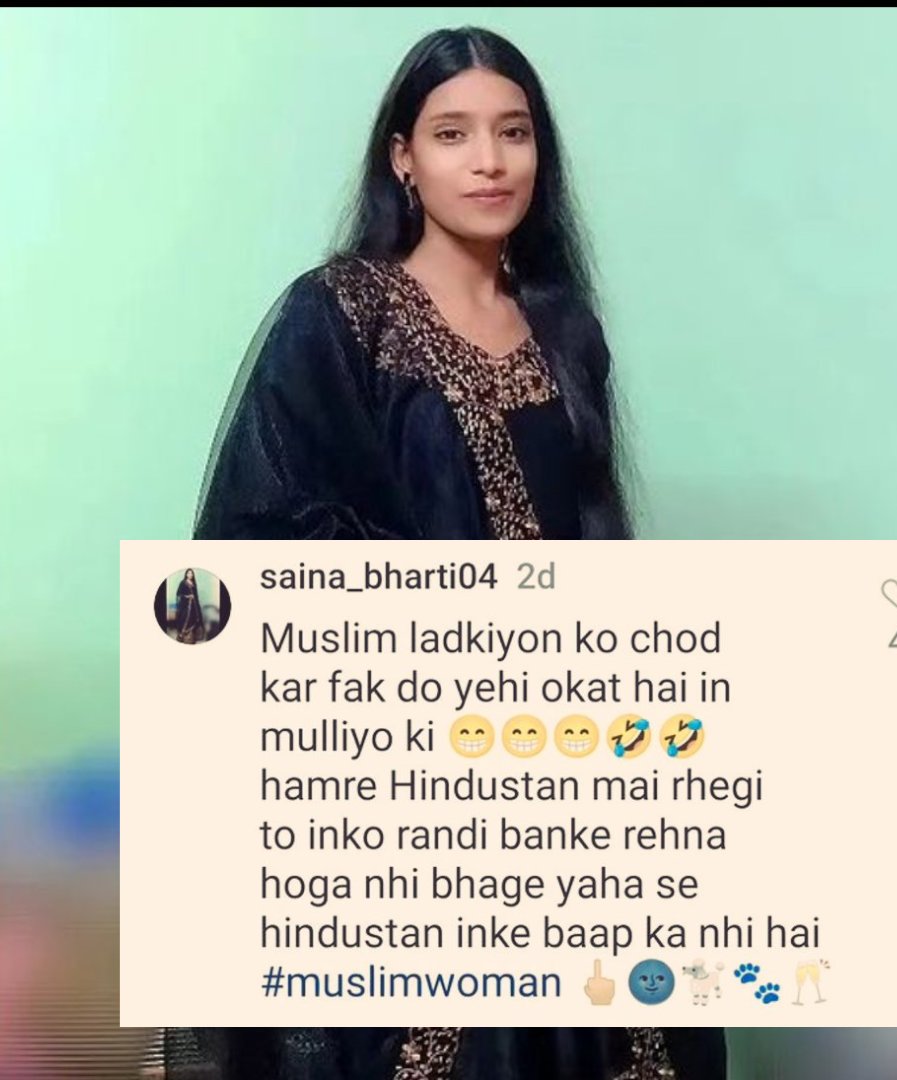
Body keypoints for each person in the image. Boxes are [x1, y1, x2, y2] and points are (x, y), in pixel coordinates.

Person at [178, 24, 726, 1080]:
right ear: (403, 158)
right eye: (452, 133)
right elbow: (258, 534)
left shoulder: (564, 330)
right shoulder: (342, 315)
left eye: (513, 133)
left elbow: (594, 543)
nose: (488, 161)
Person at [173, 569, 205, 644]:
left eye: (191, 573)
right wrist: (188, 596)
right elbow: (178, 594)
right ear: (186, 574)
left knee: (193, 620)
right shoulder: (183, 583)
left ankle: (191, 638)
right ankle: (182, 637)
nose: (190, 575)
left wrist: (197, 607)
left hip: (194, 607)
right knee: (185, 620)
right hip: (185, 607)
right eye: (188, 573)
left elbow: (196, 596)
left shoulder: (194, 583)